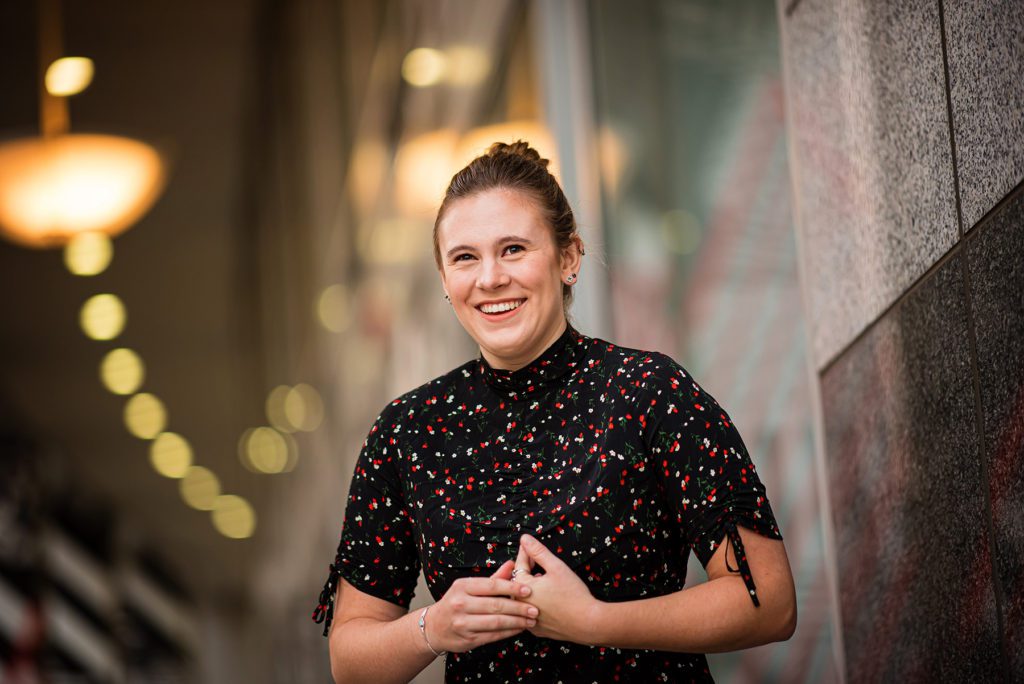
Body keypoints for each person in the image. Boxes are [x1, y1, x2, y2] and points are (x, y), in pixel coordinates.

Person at [312, 141, 796, 683]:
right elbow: (349, 661)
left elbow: (769, 601)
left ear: (568, 258)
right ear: (445, 280)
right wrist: (432, 627)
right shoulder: (405, 432)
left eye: (513, 249)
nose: (490, 278)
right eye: (465, 257)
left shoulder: (649, 392)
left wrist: (595, 621)